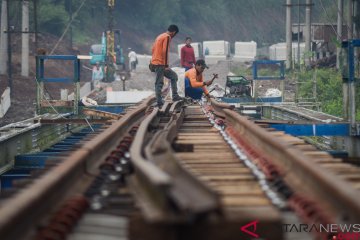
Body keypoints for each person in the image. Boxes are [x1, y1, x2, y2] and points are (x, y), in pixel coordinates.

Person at [150, 24, 182, 107]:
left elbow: (152, 49)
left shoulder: (160, 36)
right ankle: (159, 102)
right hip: (160, 64)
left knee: (174, 76)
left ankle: (175, 96)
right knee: (159, 83)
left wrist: (153, 61)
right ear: (174, 32)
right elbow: (165, 51)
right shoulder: (167, 37)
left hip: (155, 63)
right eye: (175, 34)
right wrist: (166, 65)